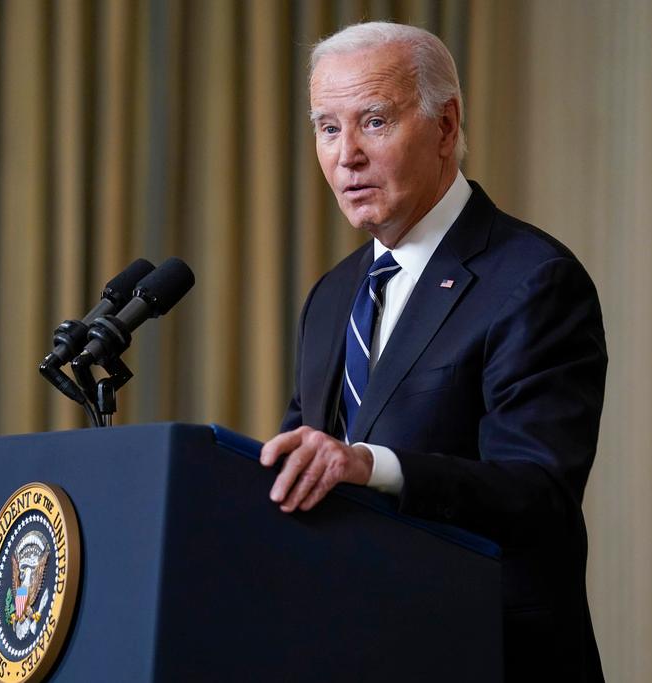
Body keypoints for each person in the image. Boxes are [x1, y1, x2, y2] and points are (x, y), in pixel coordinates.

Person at [259, 21, 607, 681]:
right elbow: (299, 472)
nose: (346, 155)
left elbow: (539, 493)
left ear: (445, 127)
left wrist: (370, 465)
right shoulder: (332, 296)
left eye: (374, 121)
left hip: (490, 656)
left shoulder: (532, 280)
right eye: (328, 128)